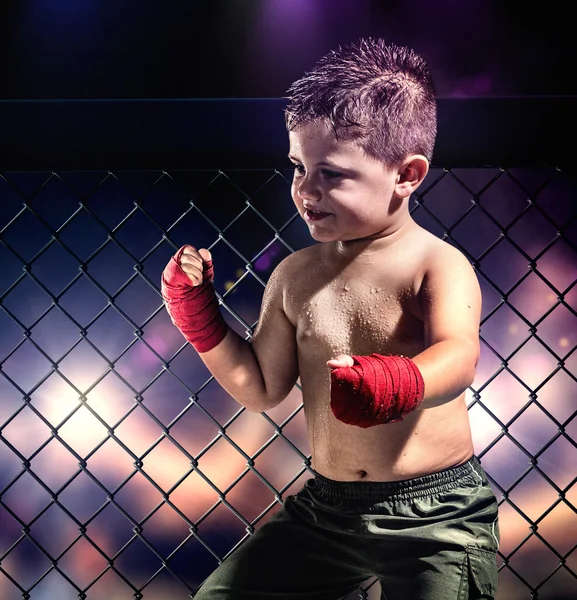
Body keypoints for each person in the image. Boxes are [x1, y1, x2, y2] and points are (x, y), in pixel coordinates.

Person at [161, 38, 500, 600]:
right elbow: (260, 387)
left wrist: (395, 383)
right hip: (329, 508)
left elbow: (459, 357)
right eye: (298, 166)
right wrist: (201, 320)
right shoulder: (295, 275)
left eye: (332, 174)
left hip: (435, 514)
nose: (305, 189)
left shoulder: (437, 263)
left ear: (407, 174)